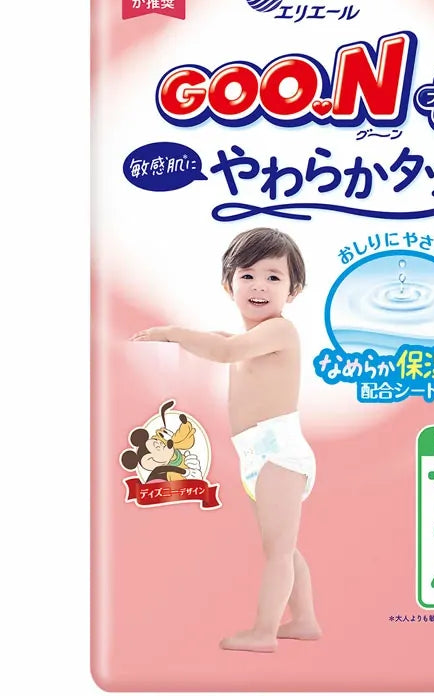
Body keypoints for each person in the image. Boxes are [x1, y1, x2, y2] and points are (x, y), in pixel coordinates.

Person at [130, 227, 320, 653]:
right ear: (228, 285)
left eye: (273, 277)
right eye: (247, 275)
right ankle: (304, 619)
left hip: (279, 453)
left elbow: (225, 352)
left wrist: (173, 331)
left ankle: (264, 632)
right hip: (257, 455)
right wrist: (177, 339)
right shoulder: (245, 340)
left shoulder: (280, 331)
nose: (259, 286)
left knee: (278, 551)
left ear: (293, 290)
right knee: (283, 547)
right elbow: (223, 343)